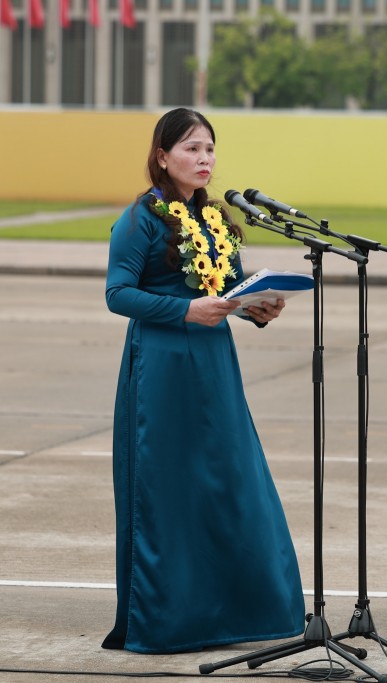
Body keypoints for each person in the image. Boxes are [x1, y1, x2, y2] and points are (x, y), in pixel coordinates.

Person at [103, 108, 304, 653]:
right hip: (163, 365)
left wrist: (255, 308)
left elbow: (228, 288)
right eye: (192, 148)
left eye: (210, 148)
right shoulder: (140, 218)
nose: (204, 158)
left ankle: (242, 613)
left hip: (215, 364)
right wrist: (186, 311)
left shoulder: (215, 218)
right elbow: (117, 294)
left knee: (229, 479)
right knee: (170, 487)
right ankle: (173, 620)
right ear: (162, 156)